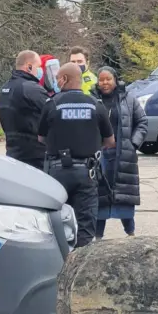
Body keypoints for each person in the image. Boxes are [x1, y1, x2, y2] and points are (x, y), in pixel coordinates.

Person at [38, 63, 115, 247]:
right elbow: (110, 141)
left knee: (55, 223)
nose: (56, 82)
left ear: (64, 79)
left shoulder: (52, 104)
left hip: (57, 172)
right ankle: (81, 264)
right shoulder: (96, 105)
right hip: (86, 172)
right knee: (85, 225)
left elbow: (41, 138)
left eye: (58, 78)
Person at [92, 66, 148, 240]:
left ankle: (131, 235)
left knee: (125, 197)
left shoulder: (128, 99)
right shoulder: (92, 100)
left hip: (122, 154)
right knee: (99, 196)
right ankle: (98, 238)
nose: (105, 83)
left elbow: (142, 121)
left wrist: (132, 143)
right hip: (99, 155)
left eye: (108, 79)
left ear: (115, 80)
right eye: (101, 79)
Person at [0, 50, 49, 170]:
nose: (41, 71)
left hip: (13, 151)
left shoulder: (6, 88)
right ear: (29, 67)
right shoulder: (31, 88)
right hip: (34, 155)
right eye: (39, 66)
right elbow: (52, 111)